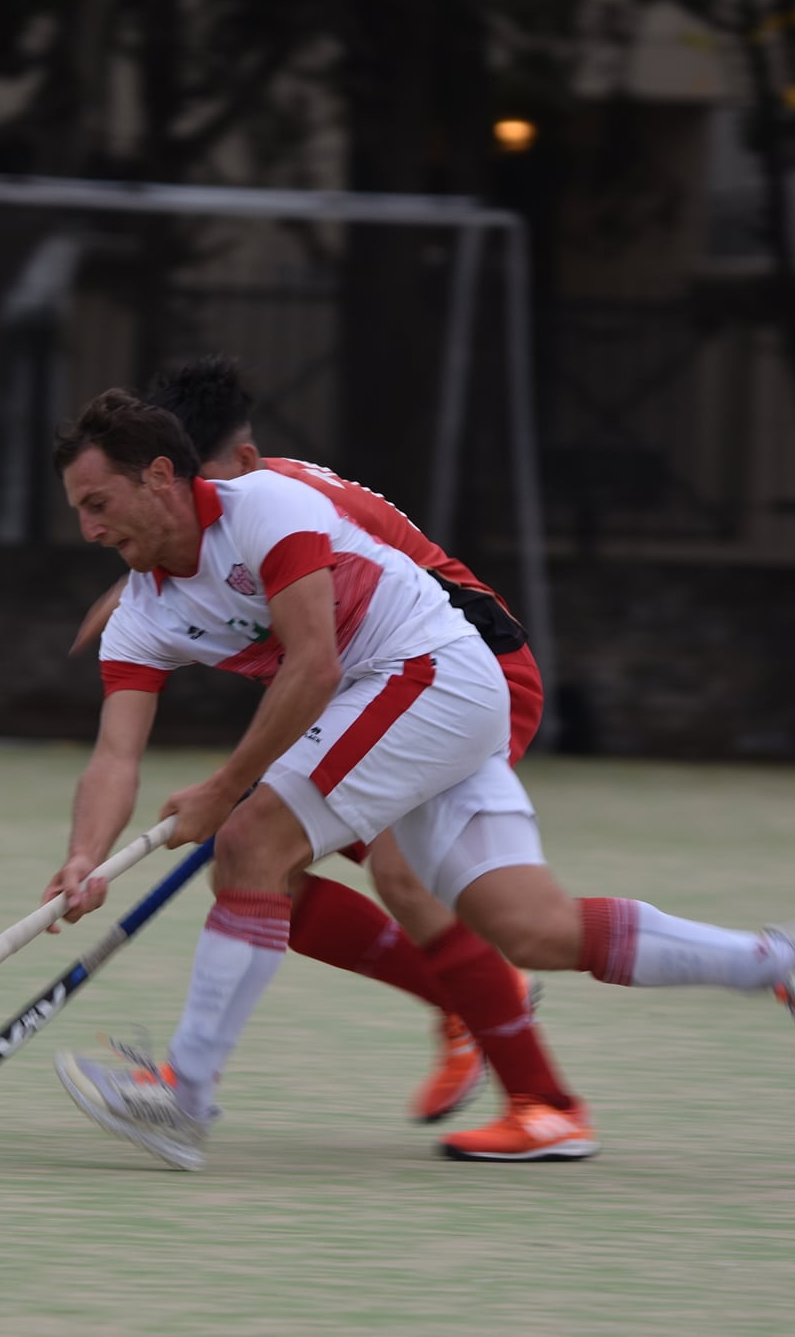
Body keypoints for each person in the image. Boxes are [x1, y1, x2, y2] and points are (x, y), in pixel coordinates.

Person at [44, 388, 795, 1172]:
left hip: (428, 671)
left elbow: (316, 665)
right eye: (79, 512)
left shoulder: (266, 507)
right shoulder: (143, 614)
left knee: (252, 842)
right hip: (422, 701)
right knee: (532, 928)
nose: (85, 530)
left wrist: (227, 789)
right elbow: (116, 755)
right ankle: (781, 960)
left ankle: (184, 1096)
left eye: (97, 503)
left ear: (158, 476)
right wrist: (85, 858)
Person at [71, 356, 552, 1137]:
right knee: (266, 871)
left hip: (467, 666)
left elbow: (324, 648)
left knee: (400, 871)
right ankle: (483, 1004)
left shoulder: (285, 498)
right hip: (359, 685)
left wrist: (232, 785)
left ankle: (510, 1042)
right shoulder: (189, 539)